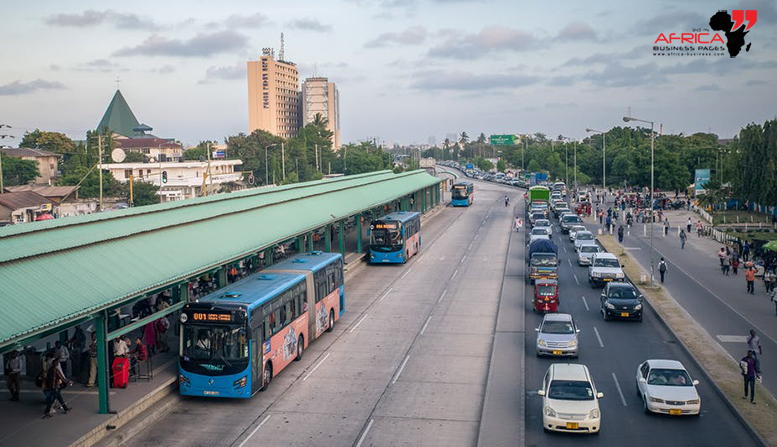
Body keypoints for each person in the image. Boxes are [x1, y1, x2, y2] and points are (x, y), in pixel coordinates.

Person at [43, 351, 72, 418]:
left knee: (59, 398)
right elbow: (61, 377)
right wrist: (68, 382)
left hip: (52, 386)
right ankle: (46, 413)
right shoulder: (56, 370)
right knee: (52, 400)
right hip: (55, 386)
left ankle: (65, 408)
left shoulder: (50, 369)